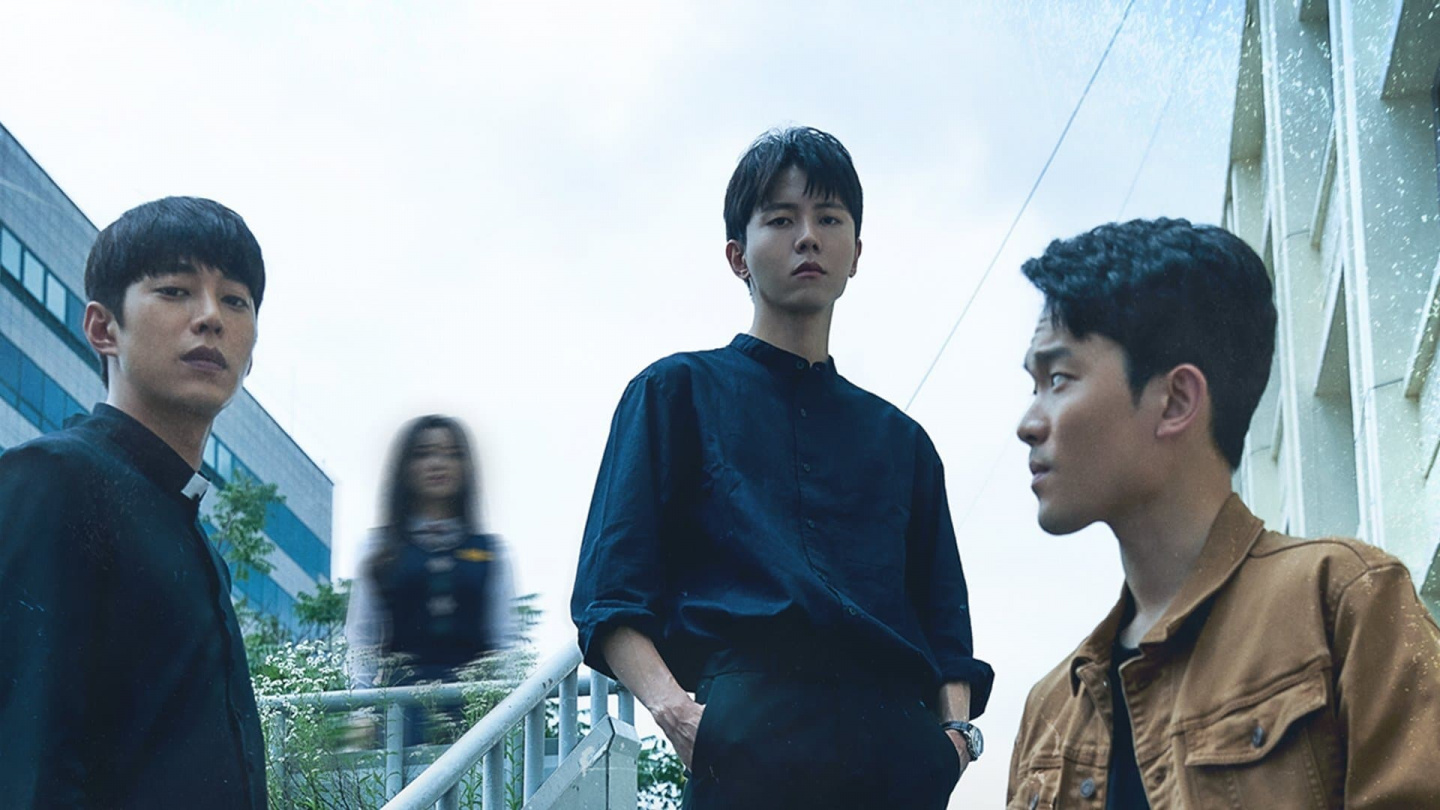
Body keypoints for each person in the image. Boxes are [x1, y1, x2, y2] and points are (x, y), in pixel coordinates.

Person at [571, 126, 993, 810]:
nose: (808, 238)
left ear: (857, 253)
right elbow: (611, 595)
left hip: (898, 750)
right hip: (747, 734)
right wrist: (677, 714)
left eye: (829, 218)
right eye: (781, 219)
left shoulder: (904, 442)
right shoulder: (675, 394)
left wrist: (954, 743)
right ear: (737, 255)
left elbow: (946, 625)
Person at [1010, 217, 1440, 808]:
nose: (1028, 423)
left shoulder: (1346, 601)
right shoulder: (1050, 713)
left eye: (1059, 379)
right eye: (1033, 386)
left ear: (1176, 401)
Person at [0, 197, 269, 808]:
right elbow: (24, 765)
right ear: (104, 329)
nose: (211, 317)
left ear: (251, 352)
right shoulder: (52, 479)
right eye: (175, 291)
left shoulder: (193, 533)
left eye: (235, 300)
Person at [345, 414, 517, 742]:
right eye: (424, 454)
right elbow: (362, 637)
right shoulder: (379, 549)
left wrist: (508, 707)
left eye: (451, 454)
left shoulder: (492, 553)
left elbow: (505, 639)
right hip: (400, 714)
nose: (438, 464)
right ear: (405, 466)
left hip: (476, 713)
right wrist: (362, 710)